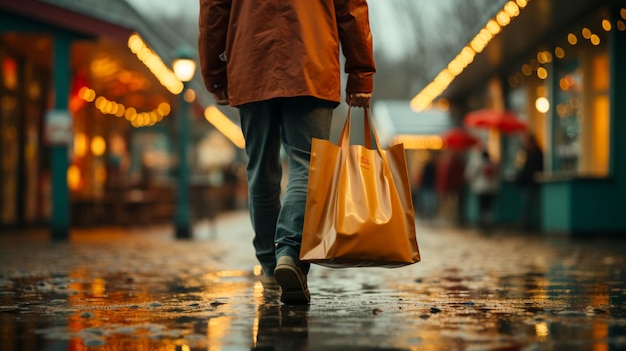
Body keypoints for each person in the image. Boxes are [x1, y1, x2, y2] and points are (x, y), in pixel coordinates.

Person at [198, 0, 376, 305]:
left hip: (250, 60)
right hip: (312, 60)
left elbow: (214, 9)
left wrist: (216, 73)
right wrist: (360, 72)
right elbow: (351, 7)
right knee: (308, 165)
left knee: (260, 169)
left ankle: (269, 266)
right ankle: (290, 253)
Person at [465, 148, 500, 230]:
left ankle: (483, 223)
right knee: (489, 206)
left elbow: (471, 174)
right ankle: (488, 222)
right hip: (491, 189)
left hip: (481, 188)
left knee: (482, 207)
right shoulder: (493, 164)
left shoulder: (479, 163)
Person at [516, 133, 544, 231]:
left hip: (535, 184)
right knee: (526, 205)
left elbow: (538, 168)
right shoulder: (525, 154)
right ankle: (525, 224)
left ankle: (540, 224)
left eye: (527, 142)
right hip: (527, 184)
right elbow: (522, 168)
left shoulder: (538, 154)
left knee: (537, 205)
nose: (525, 144)